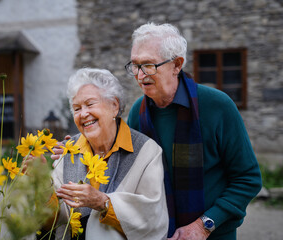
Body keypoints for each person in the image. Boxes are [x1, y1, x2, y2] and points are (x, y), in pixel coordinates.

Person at [124, 22, 262, 240]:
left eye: (149, 65)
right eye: (135, 65)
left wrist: (204, 225)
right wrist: (78, 152)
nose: (140, 76)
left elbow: (248, 178)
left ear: (177, 65)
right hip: (157, 234)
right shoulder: (137, 114)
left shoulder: (217, 106)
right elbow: (126, 174)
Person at [24, 68, 168, 240]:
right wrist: (42, 185)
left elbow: (152, 220)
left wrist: (103, 202)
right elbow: (53, 222)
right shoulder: (69, 150)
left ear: (114, 106)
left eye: (90, 104)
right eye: (77, 108)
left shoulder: (147, 152)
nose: (83, 114)